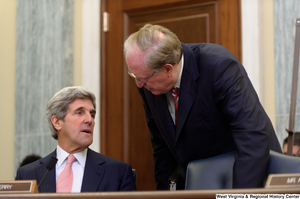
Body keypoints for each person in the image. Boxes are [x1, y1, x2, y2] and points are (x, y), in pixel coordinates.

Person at [124, 24, 282, 190]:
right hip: (202, 181)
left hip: (249, 176)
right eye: (134, 75)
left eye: (141, 78)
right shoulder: (148, 82)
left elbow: (252, 135)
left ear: (167, 69)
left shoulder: (219, 66)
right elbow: (162, 147)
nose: (138, 84)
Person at [16, 86, 136, 192]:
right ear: (57, 122)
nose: (90, 120)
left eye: (92, 115)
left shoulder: (119, 173)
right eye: (80, 112)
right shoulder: (27, 174)